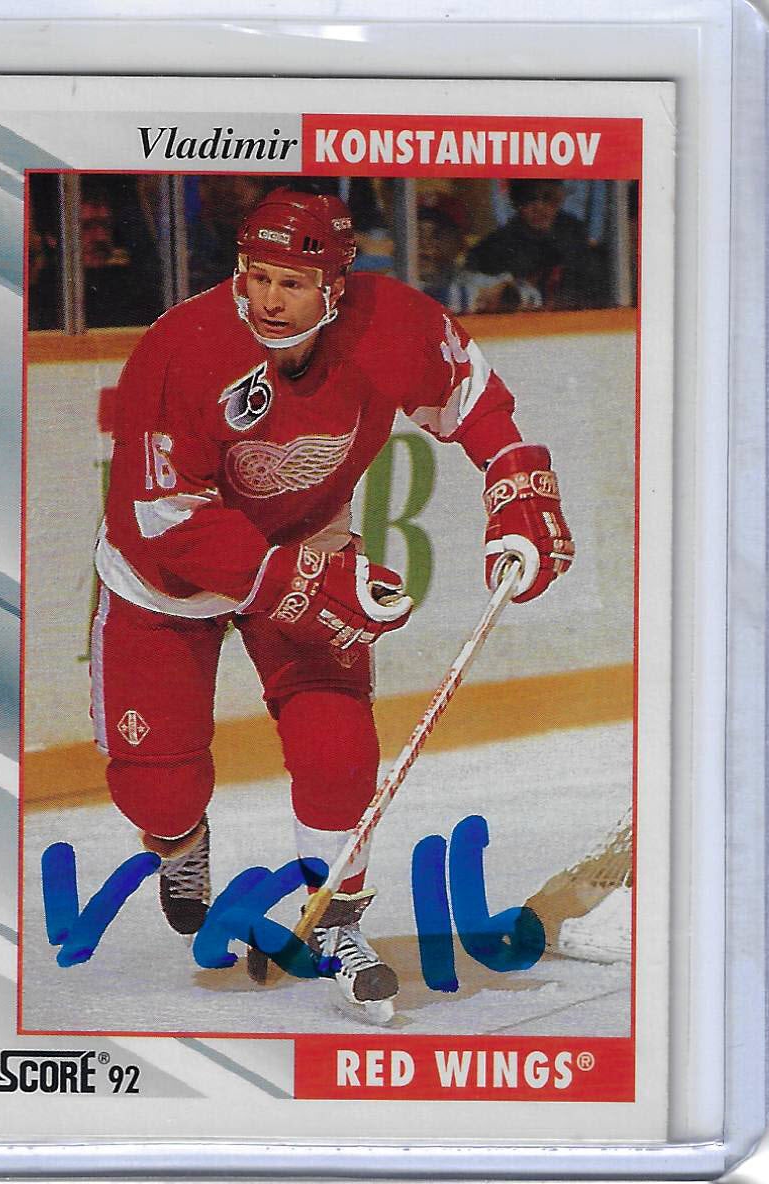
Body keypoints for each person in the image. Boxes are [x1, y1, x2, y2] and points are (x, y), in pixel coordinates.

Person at [90, 188, 574, 1024]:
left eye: (292, 283)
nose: (270, 300)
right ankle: (179, 841)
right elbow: (165, 516)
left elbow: (471, 398)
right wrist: (300, 584)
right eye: (258, 276)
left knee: (338, 753)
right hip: (164, 578)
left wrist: (515, 481)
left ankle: (338, 919)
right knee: (158, 790)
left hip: (308, 538)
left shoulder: (388, 321)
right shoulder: (180, 350)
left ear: (336, 287)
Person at [467, 179, 608, 312]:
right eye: (529, 199)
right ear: (516, 202)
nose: (539, 207)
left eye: (548, 197)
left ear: (559, 198)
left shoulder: (575, 233)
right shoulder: (495, 246)